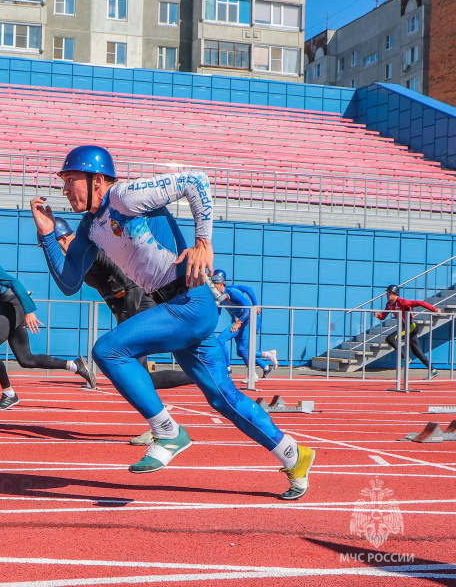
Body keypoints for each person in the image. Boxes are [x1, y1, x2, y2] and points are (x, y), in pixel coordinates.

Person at [31, 145, 315, 500]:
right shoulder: (89, 229)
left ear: (98, 179)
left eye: (70, 179)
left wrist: (203, 242)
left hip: (191, 303)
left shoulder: (125, 196)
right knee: (222, 398)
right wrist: (46, 235)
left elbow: (196, 180)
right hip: (175, 309)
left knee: (108, 350)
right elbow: (69, 283)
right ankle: (293, 455)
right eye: (63, 181)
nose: (64, 189)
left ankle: (167, 431)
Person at [0, 238, 96, 410]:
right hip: (7, 307)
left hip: (13, 305)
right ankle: (76, 365)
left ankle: (9, 394)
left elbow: (13, 282)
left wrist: (28, 310)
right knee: (26, 359)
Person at [48, 217, 192, 392]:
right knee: (144, 377)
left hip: (140, 301)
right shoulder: (77, 262)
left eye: (55, 248)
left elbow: (130, 284)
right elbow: (106, 289)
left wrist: (126, 322)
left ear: (63, 239)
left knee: (129, 369)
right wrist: (117, 311)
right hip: (127, 307)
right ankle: (193, 376)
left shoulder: (92, 251)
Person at [211, 269, 279, 384]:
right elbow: (217, 313)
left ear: (221, 283)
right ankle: (264, 362)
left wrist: (239, 321)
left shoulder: (232, 291)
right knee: (241, 350)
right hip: (242, 319)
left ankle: (228, 368)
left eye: (214, 284)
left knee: (223, 340)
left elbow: (248, 307)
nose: (212, 287)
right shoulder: (218, 296)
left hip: (249, 319)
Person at [374, 284, 440, 379]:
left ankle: (405, 357)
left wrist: (434, 309)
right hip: (404, 328)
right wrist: (378, 315)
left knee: (390, 338)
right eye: (387, 293)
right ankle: (433, 370)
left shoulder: (403, 302)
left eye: (389, 293)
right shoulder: (388, 304)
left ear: (395, 293)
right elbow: (383, 317)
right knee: (417, 352)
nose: (387, 295)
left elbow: (421, 303)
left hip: (411, 327)